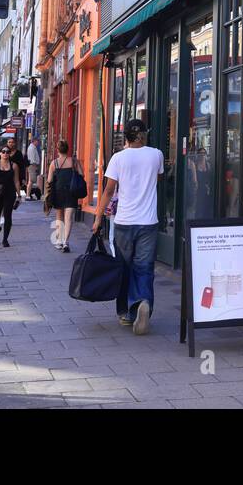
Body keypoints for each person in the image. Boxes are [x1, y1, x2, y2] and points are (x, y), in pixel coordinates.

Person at [94, 116, 163, 335]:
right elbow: (158, 179)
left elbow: (108, 191)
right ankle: (143, 302)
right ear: (144, 135)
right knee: (144, 267)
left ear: (126, 137)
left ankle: (126, 313)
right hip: (148, 222)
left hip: (124, 221)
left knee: (124, 266)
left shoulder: (118, 158)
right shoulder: (156, 155)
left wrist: (97, 219)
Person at [46, 139, 81, 253]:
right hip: (71, 192)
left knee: (59, 216)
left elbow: (49, 180)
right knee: (69, 217)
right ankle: (66, 242)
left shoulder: (54, 163)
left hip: (58, 192)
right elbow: (82, 174)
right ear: (68, 149)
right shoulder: (74, 161)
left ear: (57, 150)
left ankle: (59, 241)